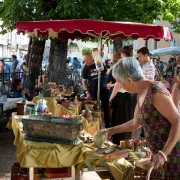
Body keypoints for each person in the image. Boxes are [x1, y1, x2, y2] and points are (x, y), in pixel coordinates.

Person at [100, 57, 180, 178]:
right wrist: (111, 130)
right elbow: (135, 123)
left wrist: (164, 153)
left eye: (119, 82)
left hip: (173, 154)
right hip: (159, 154)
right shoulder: (141, 92)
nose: (118, 85)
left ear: (129, 80)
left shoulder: (155, 91)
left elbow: (178, 120)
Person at [107, 46, 136, 144]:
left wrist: (110, 98)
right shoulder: (134, 64)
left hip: (123, 97)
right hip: (131, 96)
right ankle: (126, 144)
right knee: (129, 121)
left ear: (122, 54)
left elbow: (118, 84)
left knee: (120, 121)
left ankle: (119, 144)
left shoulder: (123, 65)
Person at [82, 52, 110, 128]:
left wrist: (108, 84)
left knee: (106, 107)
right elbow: (84, 81)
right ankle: (93, 126)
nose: (85, 62)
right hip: (93, 91)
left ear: (92, 58)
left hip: (103, 90)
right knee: (93, 108)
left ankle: (108, 125)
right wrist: (87, 92)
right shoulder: (85, 68)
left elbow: (107, 74)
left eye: (87, 60)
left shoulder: (99, 63)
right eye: (84, 60)